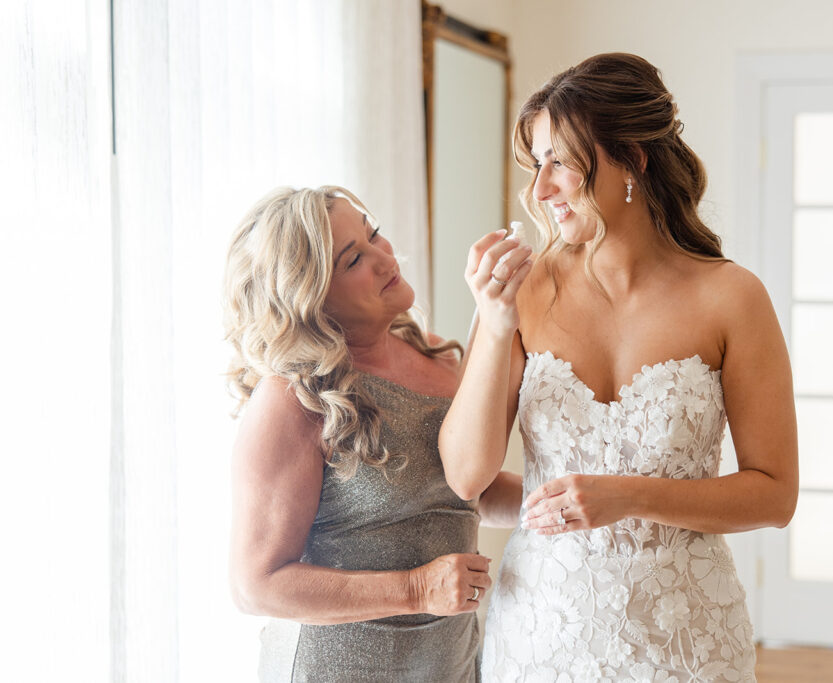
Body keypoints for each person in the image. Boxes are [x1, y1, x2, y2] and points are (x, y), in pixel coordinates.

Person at [439, 53, 798, 681]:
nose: (539, 189)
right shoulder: (518, 294)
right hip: (543, 633)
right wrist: (495, 325)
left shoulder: (733, 297)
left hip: (688, 640)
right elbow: (467, 477)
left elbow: (774, 494)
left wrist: (629, 496)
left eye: (560, 162)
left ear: (632, 158)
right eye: (536, 164)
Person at [223, 185, 521, 682]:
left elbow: (468, 492)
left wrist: (552, 501)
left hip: (450, 666)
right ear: (309, 296)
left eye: (373, 234)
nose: (385, 258)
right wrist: (417, 590)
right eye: (353, 260)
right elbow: (255, 584)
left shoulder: (437, 357)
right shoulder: (291, 399)